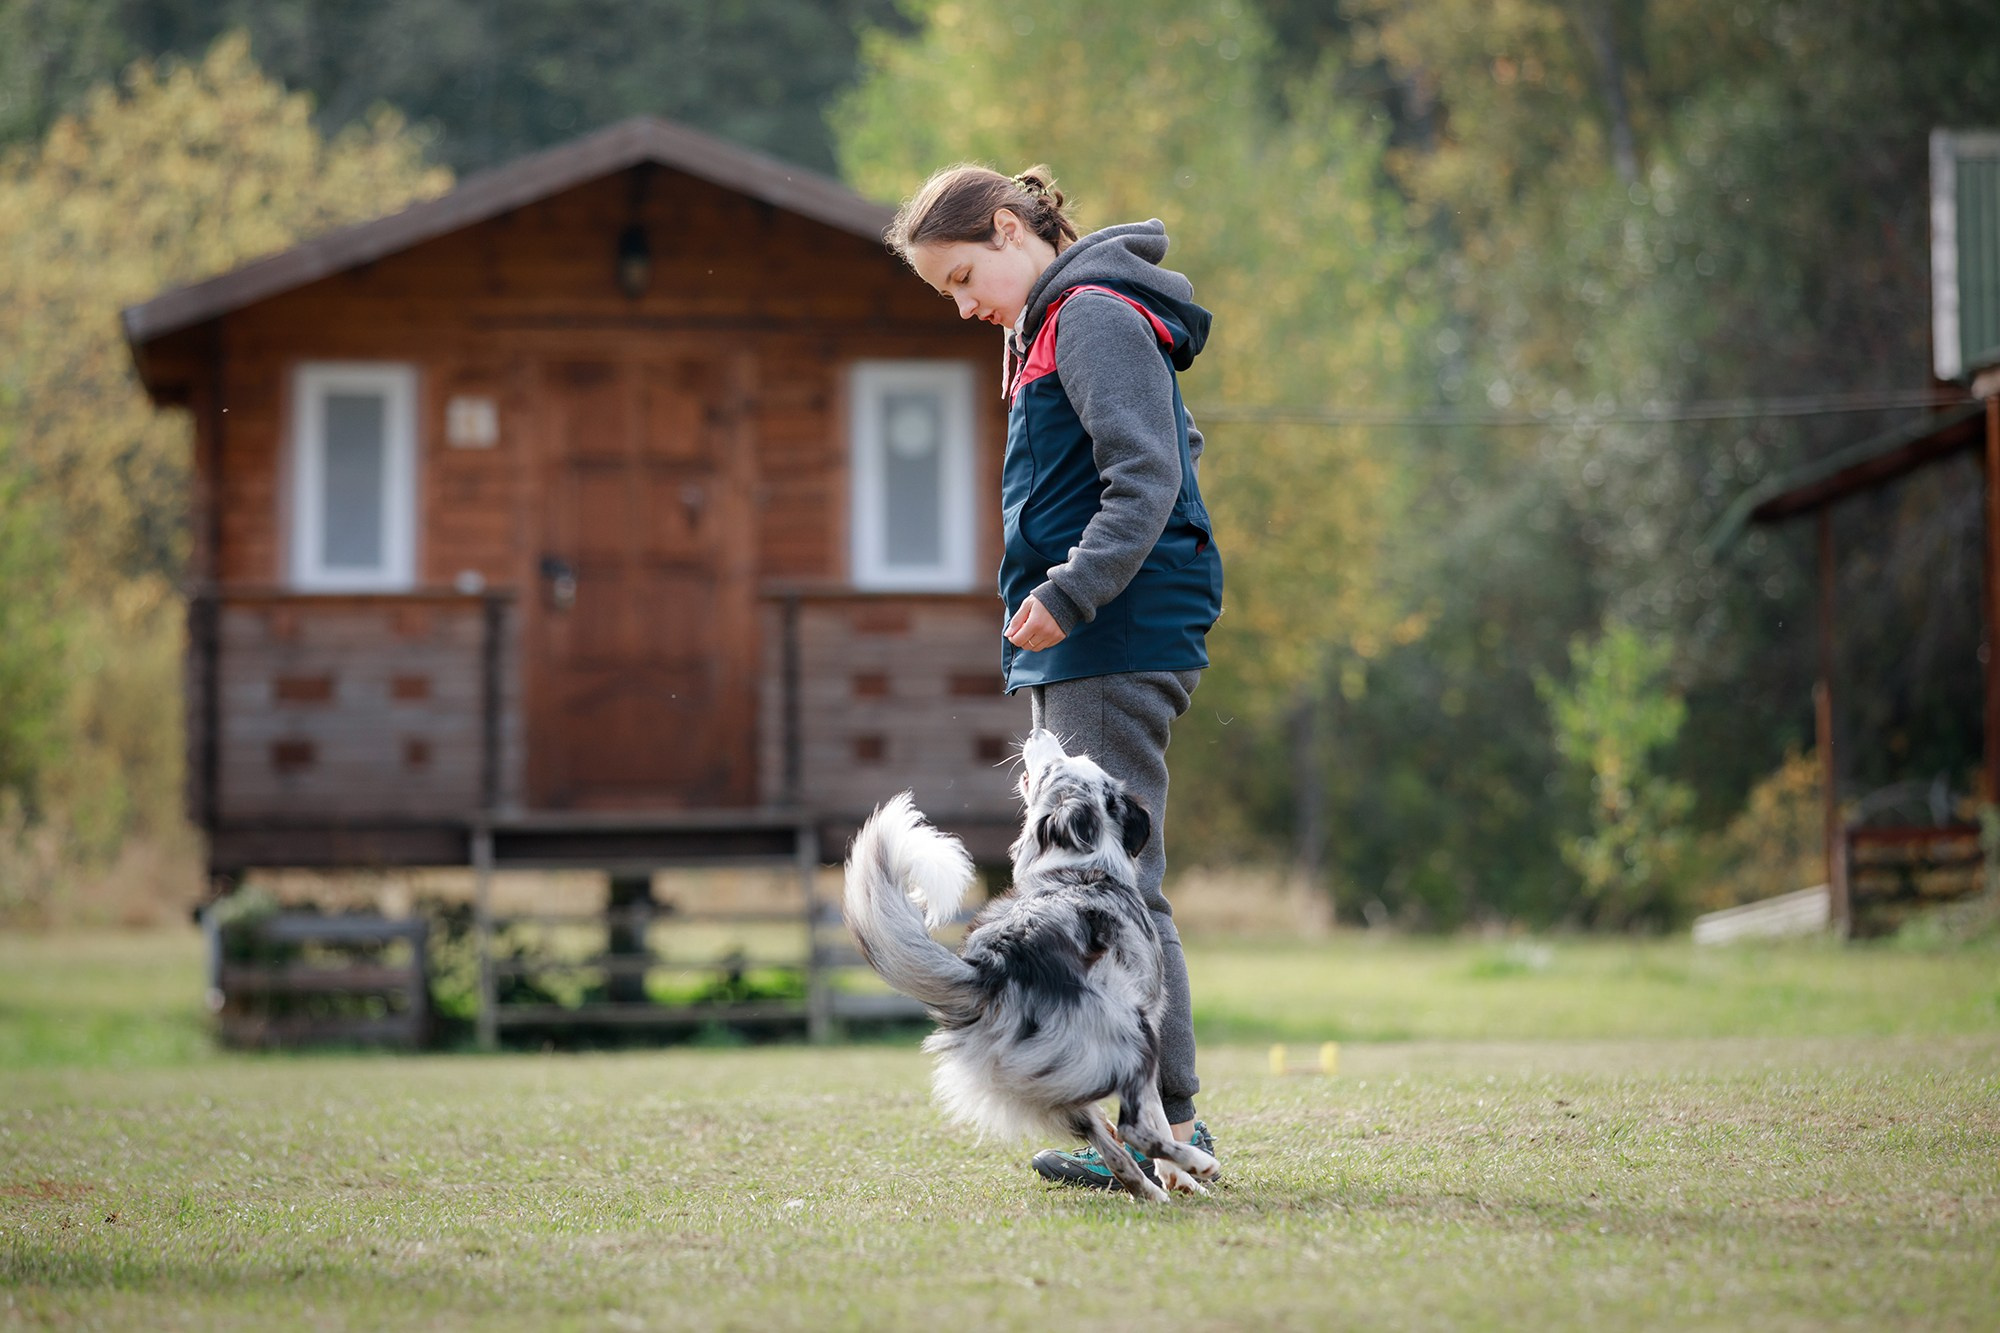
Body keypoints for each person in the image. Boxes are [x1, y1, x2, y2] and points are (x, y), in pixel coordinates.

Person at [887, 164, 1224, 1189]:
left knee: (1119, 884)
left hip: (1114, 630)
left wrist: (1073, 592)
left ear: (1003, 227)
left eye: (959, 276)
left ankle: (1173, 1129)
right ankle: (1129, 1132)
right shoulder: (1041, 325)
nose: (960, 303)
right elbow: (1174, 443)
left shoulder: (1087, 316)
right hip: (1084, 631)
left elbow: (1148, 475)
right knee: (1096, 882)